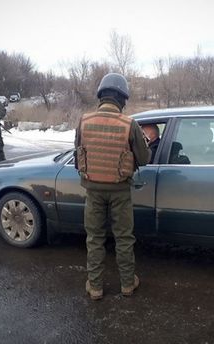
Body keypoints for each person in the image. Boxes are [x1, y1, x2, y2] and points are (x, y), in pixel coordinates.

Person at [75, 73, 150, 300]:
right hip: (120, 192)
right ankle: (128, 284)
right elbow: (144, 158)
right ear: (122, 98)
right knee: (124, 238)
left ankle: (95, 287)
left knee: (95, 239)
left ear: (101, 95)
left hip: (93, 191)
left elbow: (78, 154)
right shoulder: (130, 124)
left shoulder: (84, 121)